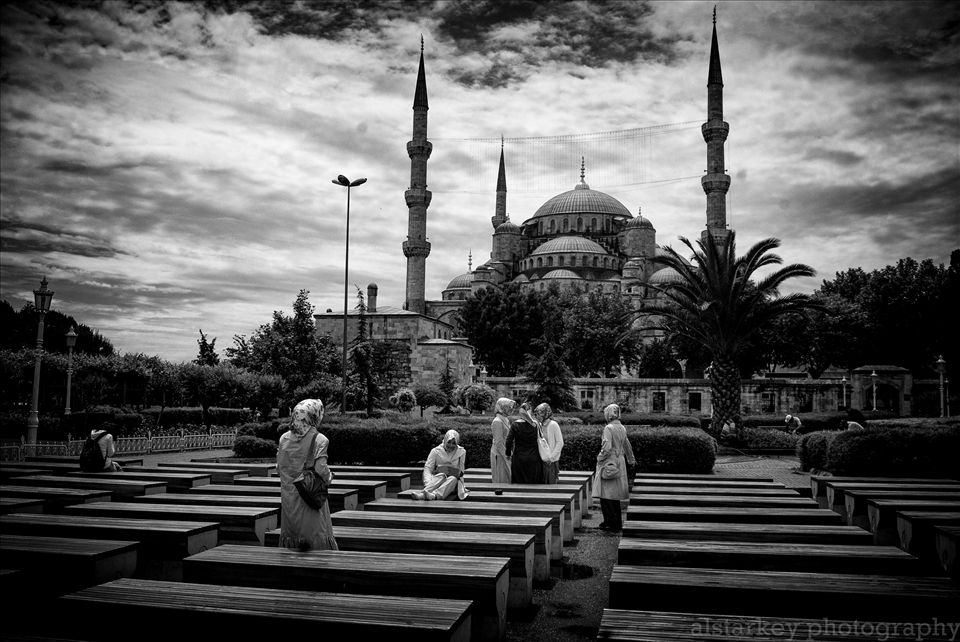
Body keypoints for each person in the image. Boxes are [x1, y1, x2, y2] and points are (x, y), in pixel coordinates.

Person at [276, 399, 338, 551]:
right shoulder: (320, 439)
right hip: (309, 495)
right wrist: (329, 477)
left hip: (289, 496)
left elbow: (279, 467)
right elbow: (321, 469)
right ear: (315, 416)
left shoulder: (284, 438)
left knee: (292, 535)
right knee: (316, 534)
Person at [593, 403, 636, 533]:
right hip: (620, 461)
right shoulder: (621, 427)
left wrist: (599, 458)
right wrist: (631, 459)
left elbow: (606, 447)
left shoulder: (608, 428)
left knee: (606, 494)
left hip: (609, 463)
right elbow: (627, 444)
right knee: (614, 495)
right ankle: (616, 521)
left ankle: (610, 522)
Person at [412, 430, 470, 500]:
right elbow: (428, 468)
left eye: (454, 443)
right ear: (445, 440)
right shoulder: (435, 451)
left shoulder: (461, 452)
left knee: (453, 479)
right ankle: (424, 493)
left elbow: (461, 471)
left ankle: (433, 496)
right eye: (449, 442)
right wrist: (427, 483)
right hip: (437, 480)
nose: (451, 445)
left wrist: (450, 472)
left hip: (452, 483)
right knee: (441, 475)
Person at [506, 402, 545, 484]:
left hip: (519, 458)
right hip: (534, 458)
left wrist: (508, 454)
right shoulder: (536, 424)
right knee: (534, 485)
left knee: (518, 484)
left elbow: (509, 441)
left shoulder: (515, 425)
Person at [534, 403, 564, 484]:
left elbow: (560, 442)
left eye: (538, 414)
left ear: (545, 414)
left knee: (551, 484)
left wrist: (552, 457)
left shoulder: (553, 424)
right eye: (535, 414)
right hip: (541, 460)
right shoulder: (539, 425)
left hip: (551, 461)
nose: (536, 417)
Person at [490, 398, 516, 484]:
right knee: (500, 478)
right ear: (502, 407)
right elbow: (498, 442)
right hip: (499, 454)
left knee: (507, 477)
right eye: (508, 407)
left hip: (505, 453)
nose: (511, 409)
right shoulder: (497, 421)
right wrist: (507, 454)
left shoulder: (505, 419)